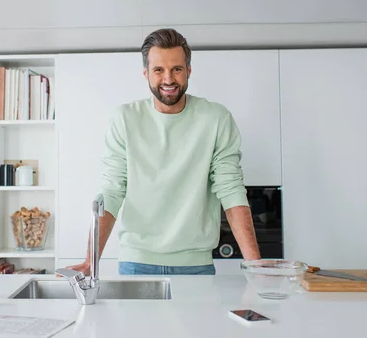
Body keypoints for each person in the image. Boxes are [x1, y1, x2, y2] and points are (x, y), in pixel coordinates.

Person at [67, 28, 261, 276]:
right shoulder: (124, 119)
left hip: (196, 264)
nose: (168, 79)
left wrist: (256, 267)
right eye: (159, 70)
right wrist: (90, 260)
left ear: (188, 71)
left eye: (177, 69)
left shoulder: (216, 118)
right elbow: (112, 191)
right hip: (137, 262)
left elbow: (231, 189)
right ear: (146, 73)